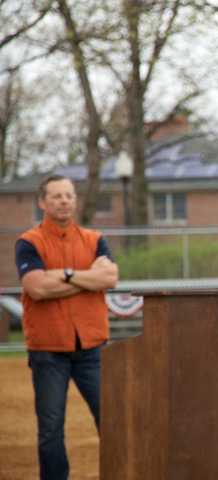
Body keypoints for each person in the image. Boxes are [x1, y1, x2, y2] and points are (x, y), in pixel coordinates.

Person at [15, 175, 118, 480]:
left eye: (69, 196)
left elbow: (109, 279)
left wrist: (65, 275)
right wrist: (87, 279)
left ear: (75, 200)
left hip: (92, 348)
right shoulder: (29, 242)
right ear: (42, 202)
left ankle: (120, 472)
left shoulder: (94, 238)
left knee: (112, 422)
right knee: (50, 430)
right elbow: (36, 288)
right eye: (57, 196)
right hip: (49, 350)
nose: (64, 201)